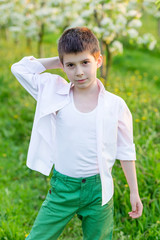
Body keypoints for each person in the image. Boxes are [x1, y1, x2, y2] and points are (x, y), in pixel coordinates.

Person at [11, 26, 143, 240]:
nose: (79, 72)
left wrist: (134, 191)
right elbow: (19, 69)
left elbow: (126, 150)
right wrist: (60, 60)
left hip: (98, 190)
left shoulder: (115, 105)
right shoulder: (54, 92)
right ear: (63, 67)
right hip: (63, 188)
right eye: (71, 65)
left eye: (85, 63)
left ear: (98, 60)